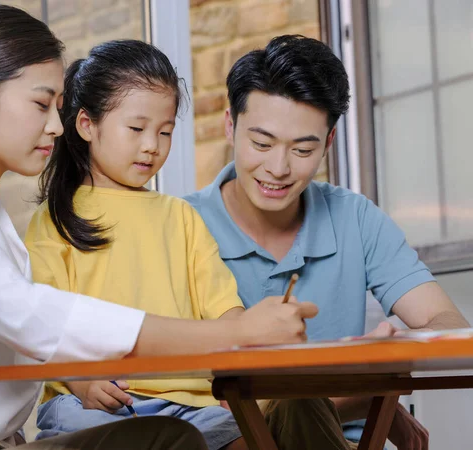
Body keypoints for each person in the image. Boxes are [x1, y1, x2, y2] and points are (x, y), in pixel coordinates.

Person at [0, 7, 313, 449]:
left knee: (196, 432)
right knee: (169, 437)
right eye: (42, 104)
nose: (53, 126)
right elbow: (30, 317)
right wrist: (233, 333)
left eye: (57, 107)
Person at [24, 39, 324, 450]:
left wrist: (256, 334)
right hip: (93, 402)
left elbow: (225, 310)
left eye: (165, 132)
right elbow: (41, 324)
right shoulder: (55, 219)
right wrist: (80, 379)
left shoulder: (181, 217)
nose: (152, 145)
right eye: (136, 129)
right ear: (86, 125)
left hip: (192, 405)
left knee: (257, 435)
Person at [185, 34, 470, 450]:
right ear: (230, 125)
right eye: (261, 144)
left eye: (302, 149)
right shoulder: (181, 224)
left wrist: (387, 360)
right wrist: (371, 397)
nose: (278, 168)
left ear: (329, 143)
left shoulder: (354, 218)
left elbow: (451, 327)